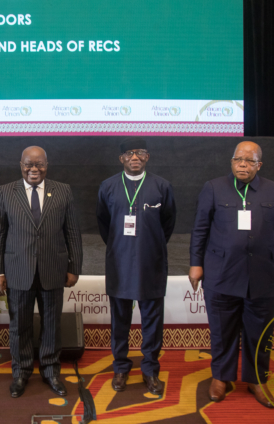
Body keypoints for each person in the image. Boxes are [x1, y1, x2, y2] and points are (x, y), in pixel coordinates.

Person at [189, 141, 274, 408]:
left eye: (249, 161)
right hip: (222, 273)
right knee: (222, 330)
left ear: (259, 165)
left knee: (260, 332)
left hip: (264, 274)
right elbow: (200, 229)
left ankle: (256, 379)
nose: (243, 165)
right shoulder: (214, 187)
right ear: (231, 162)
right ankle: (220, 377)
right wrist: (195, 264)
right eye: (238, 159)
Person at [0, 146, 83, 399]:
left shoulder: (63, 190)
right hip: (18, 270)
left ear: (47, 165)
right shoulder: (6, 191)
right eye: (29, 164)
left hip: (53, 269)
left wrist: (74, 267)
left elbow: (72, 231)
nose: (34, 169)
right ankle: (21, 372)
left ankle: (51, 371)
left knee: (51, 325)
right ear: (20, 165)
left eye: (39, 164)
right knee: (19, 326)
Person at [96, 137, 176, 395]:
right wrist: (120, 245)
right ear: (121, 158)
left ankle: (150, 370)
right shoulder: (108, 186)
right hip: (119, 264)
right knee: (120, 321)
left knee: (152, 321)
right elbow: (103, 222)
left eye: (140, 152)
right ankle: (120, 367)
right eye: (129, 153)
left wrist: (150, 244)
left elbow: (168, 222)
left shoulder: (162, 186)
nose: (135, 157)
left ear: (147, 156)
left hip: (151, 264)